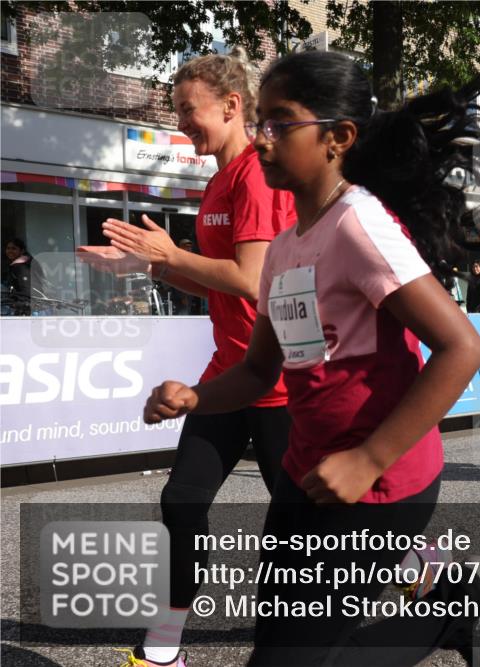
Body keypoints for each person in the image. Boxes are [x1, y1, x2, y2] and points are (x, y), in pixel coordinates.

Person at [143, 52, 480, 665]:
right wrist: (196, 398)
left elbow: (462, 347)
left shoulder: (358, 226)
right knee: (281, 643)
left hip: (380, 484)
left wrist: (370, 458)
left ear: (338, 137)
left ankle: (453, 610)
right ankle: (448, 603)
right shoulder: (288, 245)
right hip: (305, 474)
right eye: (261, 121)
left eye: (279, 123)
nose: (262, 138)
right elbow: (262, 371)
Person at [103, 49, 297, 667]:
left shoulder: (258, 176)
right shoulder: (217, 180)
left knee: (322, 520)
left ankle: (431, 571)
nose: (183, 123)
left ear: (232, 105)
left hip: (281, 383)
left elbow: (251, 279)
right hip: (227, 375)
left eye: (190, 111)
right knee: (182, 500)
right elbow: (215, 282)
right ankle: (163, 647)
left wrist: (168, 256)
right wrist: (151, 265)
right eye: (178, 112)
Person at [3, 237, 44, 315]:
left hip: (29, 309)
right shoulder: (27, 263)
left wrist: (21, 304)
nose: (10, 251)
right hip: (34, 307)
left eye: (14, 248)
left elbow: (26, 289)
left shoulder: (21, 266)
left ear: (22, 251)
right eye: (8, 248)